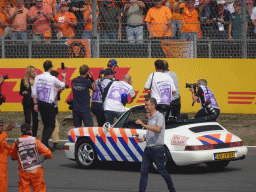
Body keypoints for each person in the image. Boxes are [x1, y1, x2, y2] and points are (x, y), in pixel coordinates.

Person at [135, 98, 176, 192]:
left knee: (162, 171)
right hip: (148, 148)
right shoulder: (150, 117)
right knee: (143, 172)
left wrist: (143, 124)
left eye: (147, 105)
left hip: (157, 149)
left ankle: (172, 190)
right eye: (145, 105)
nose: (145, 107)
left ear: (153, 106)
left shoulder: (159, 116)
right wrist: (144, 139)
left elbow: (158, 129)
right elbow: (151, 132)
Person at [32, 60, 66, 148]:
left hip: (40, 103)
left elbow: (34, 92)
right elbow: (63, 85)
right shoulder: (52, 78)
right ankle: (43, 143)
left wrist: (35, 104)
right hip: (49, 104)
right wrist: (64, 77)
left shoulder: (37, 77)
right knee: (51, 125)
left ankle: (45, 144)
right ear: (51, 67)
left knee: (46, 125)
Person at [11, 123, 52, 192]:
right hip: (36, 170)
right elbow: (48, 153)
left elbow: (13, 157)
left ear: (21, 131)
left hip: (24, 171)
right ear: (30, 130)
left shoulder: (16, 142)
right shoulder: (35, 141)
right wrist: (47, 156)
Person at [19, 66, 39, 137]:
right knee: (28, 120)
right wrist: (23, 92)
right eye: (32, 71)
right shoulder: (24, 80)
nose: (34, 72)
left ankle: (34, 136)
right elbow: (20, 92)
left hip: (36, 102)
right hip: (27, 102)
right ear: (28, 73)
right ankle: (27, 135)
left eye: (35, 71)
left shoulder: (38, 80)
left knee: (36, 120)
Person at [50, 70, 63, 151]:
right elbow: (58, 89)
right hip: (52, 107)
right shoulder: (52, 86)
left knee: (51, 126)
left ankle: (46, 143)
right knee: (55, 126)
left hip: (53, 107)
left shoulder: (51, 86)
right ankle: (55, 143)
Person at [0, 121, 14, 192]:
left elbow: (10, 152)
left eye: (2, 126)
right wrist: (6, 131)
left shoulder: (3, 141)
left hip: (3, 169)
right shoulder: (2, 138)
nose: (1, 127)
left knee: (4, 188)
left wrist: (17, 147)